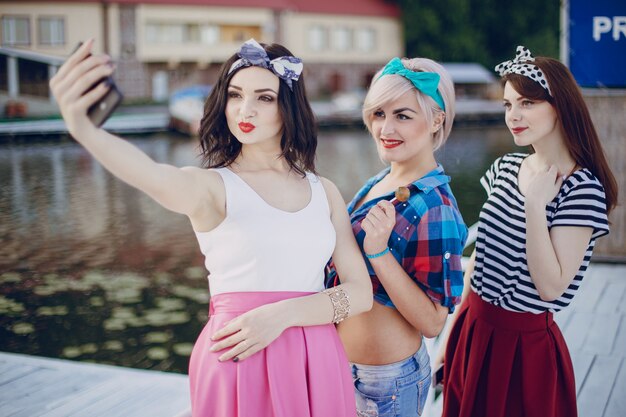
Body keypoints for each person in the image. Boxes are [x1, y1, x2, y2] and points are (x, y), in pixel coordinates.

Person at [50, 38, 373, 417]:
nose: (245, 109)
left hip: (316, 359)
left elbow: (360, 294)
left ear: (289, 107)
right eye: (235, 95)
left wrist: (282, 315)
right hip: (241, 356)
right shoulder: (212, 187)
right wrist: (86, 131)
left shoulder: (325, 192)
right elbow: (152, 175)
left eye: (264, 98)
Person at [441, 46, 618, 417]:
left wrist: (536, 206)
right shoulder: (506, 167)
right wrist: (450, 337)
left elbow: (551, 287)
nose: (513, 116)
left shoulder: (581, 188)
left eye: (526, 103)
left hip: (522, 347)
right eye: (507, 105)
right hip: (473, 328)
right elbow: (480, 260)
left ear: (559, 105)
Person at [326, 57, 468, 417]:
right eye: (378, 114)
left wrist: (379, 253)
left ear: (436, 119)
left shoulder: (436, 206)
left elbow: (434, 321)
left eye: (402, 115)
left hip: (385, 384)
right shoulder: (380, 181)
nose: (385, 128)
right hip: (340, 368)